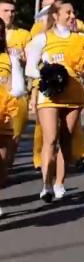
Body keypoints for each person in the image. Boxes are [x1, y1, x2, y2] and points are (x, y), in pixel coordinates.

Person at [24, 0, 84, 202]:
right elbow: (30, 68)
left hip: (73, 94)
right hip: (50, 94)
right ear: (55, 16)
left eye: (73, 13)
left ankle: (60, 183)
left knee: (66, 139)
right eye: (68, 12)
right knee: (51, 138)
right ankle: (46, 184)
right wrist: (46, 75)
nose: (72, 16)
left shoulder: (80, 39)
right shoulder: (43, 39)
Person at [0, 0, 30, 182]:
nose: (10, 14)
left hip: (15, 99)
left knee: (10, 147)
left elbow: (31, 63)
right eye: (5, 10)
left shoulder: (23, 35)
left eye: (12, 11)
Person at [0, 27, 22, 217]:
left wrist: (6, 100)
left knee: (3, 161)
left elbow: (18, 88)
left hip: (3, 116)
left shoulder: (9, 58)